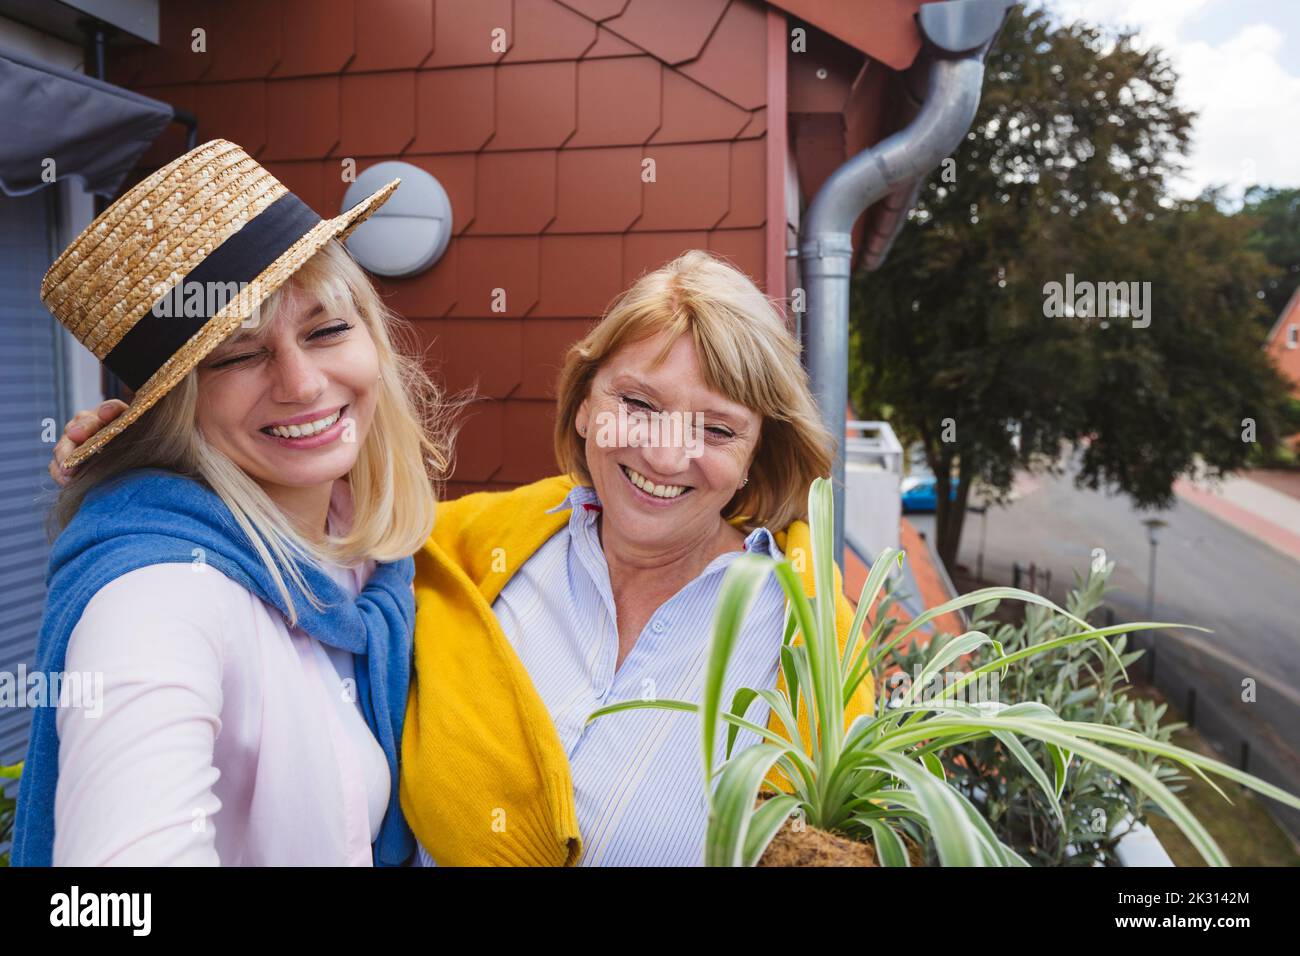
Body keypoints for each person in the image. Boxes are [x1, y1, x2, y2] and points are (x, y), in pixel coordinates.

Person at [55, 250, 875, 867]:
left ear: (759, 452)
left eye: (717, 429)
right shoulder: (457, 554)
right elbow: (298, 521)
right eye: (637, 403)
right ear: (585, 404)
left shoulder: (815, 642)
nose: (666, 454)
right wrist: (155, 455)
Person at [17, 139, 449, 866]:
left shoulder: (366, 551)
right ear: (175, 407)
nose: (304, 384)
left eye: (328, 329)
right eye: (237, 355)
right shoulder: (157, 595)